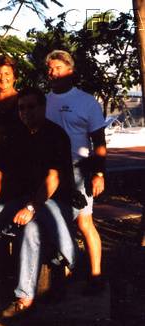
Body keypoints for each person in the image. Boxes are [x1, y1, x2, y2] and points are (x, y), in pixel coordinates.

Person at [0, 88, 77, 309]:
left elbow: (53, 179)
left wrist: (32, 207)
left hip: (52, 202)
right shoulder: (15, 135)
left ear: (43, 107)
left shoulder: (56, 135)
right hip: (21, 201)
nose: (25, 112)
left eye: (31, 107)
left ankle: (24, 297)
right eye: (21, 108)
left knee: (30, 230)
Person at [45, 50, 107, 294]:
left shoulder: (87, 102)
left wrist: (99, 174)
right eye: (49, 69)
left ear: (70, 71)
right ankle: (64, 277)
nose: (52, 73)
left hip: (78, 170)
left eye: (57, 68)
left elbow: (99, 141)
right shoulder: (44, 100)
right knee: (54, 222)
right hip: (50, 170)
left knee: (84, 222)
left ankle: (95, 274)